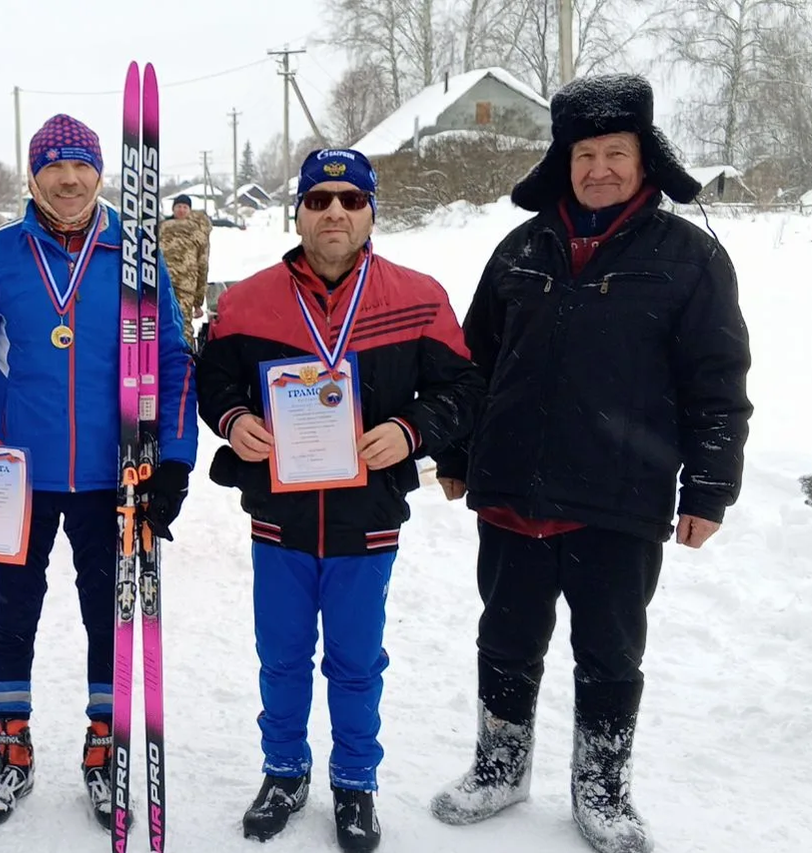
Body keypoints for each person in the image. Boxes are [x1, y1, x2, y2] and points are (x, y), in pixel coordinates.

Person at [427, 74, 752, 853]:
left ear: (645, 158)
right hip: (512, 487)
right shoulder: (520, 248)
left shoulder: (691, 257)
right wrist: (457, 452)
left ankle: (602, 787)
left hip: (618, 496)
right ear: (562, 161)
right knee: (506, 636)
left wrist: (709, 487)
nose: (599, 168)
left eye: (615, 152)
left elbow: (717, 383)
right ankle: (500, 766)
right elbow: (474, 362)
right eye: (584, 154)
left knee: (609, 651)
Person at [196, 148, 484, 851]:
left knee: (356, 661)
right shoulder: (246, 300)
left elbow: (463, 387)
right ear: (298, 212)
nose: (334, 212)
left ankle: (355, 781)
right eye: (319, 200)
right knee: (282, 655)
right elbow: (213, 381)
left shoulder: (418, 296)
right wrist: (234, 420)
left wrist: (411, 429)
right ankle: (284, 772)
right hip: (280, 515)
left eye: (350, 200)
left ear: (370, 213)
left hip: (367, 516)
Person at [0, 113, 198, 829]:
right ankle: (13, 752)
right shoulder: (0, 255)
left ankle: (102, 754)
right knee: (15, 613)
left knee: (108, 615)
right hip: (16, 475)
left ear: (100, 174)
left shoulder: (136, 253)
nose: (68, 180)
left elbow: (172, 358)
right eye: (54, 167)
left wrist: (174, 459)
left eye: (81, 167)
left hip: (113, 475)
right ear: (34, 176)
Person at [160, 193, 212, 346]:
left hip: (185, 286)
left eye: (185, 207)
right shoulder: (161, 229)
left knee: (182, 324)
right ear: (173, 209)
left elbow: (202, 265)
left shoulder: (198, 233)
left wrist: (198, 301)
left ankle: (184, 356)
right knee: (162, 322)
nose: (181, 210)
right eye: (178, 206)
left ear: (190, 210)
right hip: (161, 284)